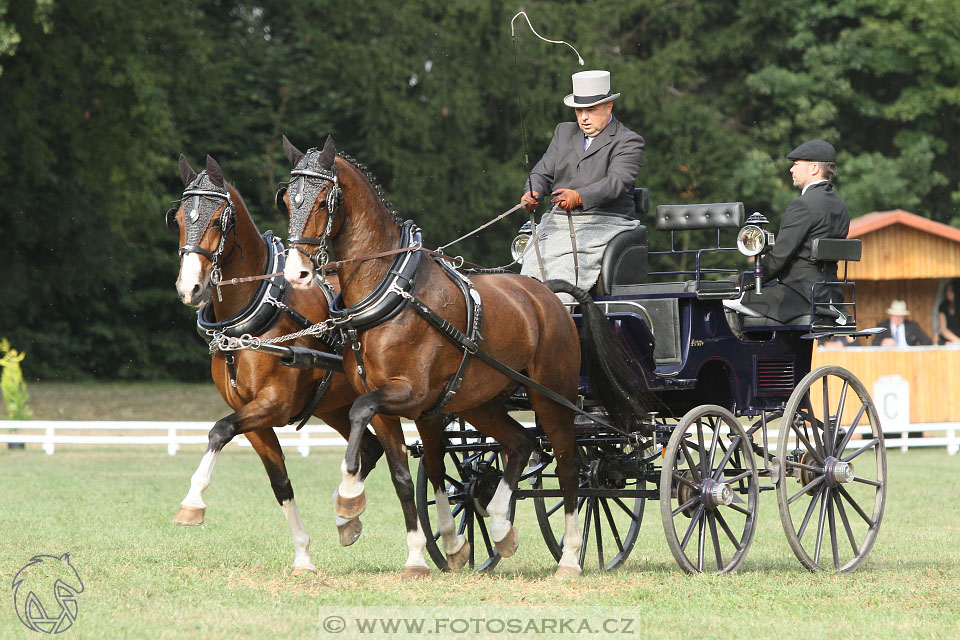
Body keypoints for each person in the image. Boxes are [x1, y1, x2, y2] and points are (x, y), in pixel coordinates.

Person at [519, 69, 644, 295]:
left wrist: (579, 197)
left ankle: (559, 311)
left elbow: (617, 182)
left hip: (604, 222)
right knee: (528, 273)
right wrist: (533, 192)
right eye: (579, 110)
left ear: (609, 107)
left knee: (563, 274)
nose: (583, 117)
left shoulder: (628, 141)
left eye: (591, 110)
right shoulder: (564, 132)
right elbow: (541, 174)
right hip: (557, 221)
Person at [723, 140, 850, 323]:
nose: (791, 170)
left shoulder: (803, 205)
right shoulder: (840, 205)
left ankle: (738, 352)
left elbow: (778, 258)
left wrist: (743, 281)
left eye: (796, 164)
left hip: (799, 296)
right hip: (830, 296)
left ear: (814, 168)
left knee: (724, 299)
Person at [937, 280, 960, 345]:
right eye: (947, 290)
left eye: (951, 291)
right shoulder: (943, 306)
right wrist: (958, 341)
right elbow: (943, 329)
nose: (948, 292)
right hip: (947, 341)